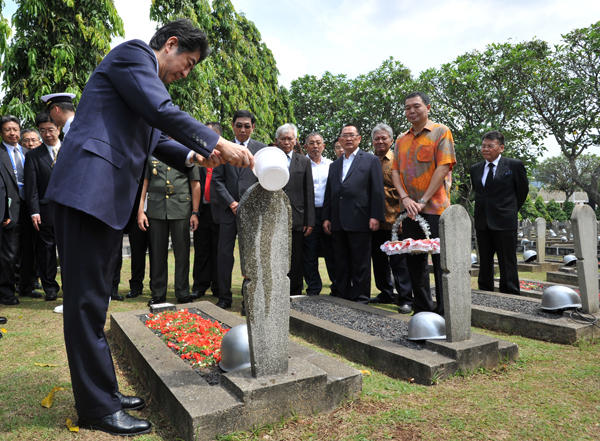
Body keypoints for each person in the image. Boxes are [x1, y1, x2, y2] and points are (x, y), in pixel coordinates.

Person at [44, 19, 253, 436]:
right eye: (188, 63)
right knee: (85, 305)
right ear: (170, 44)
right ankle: (97, 409)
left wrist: (197, 158)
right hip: (87, 191)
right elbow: (162, 111)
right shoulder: (133, 55)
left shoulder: (143, 89)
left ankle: (101, 392)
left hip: (102, 200)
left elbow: (158, 138)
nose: (186, 72)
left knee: (96, 301)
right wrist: (214, 142)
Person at [391, 92, 456, 315]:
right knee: (415, 262)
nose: (411, 111)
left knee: (440, 263)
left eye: (416, 106)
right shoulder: (401, 140)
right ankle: (422, 309)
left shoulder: (441, 132)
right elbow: (396, 172)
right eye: (407, 108)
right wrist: (406, 199)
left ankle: (445, 311)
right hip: (409, 211)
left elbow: (443, 167)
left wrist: (422, 200)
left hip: (435, 208)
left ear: (427, 107)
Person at [323, 124, 384, 303]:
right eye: (344, 136)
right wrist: (326, 217)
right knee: (340, 260)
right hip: (338, 220)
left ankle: (361, 296)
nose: (348, 139)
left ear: (359, 138)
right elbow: (330, 192)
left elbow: (377, 191)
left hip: (361, 218)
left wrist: (375, 215)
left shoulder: (370, 160)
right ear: (340, 140)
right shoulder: (334, 165)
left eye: (352, 135)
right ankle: (342, 293)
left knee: (360, 261)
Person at [211, 110, 265, 309]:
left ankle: (248, 300)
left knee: (250, 256)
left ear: (253, 127)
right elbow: (216, 180)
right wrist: (231, 203)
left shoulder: (261, 150)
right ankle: (224, 298)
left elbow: (264, 181)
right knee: (224, 255)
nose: (243, 129)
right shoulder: (223, 147)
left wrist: (250, 204)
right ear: (232, 125)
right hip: (228, 211)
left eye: (247, 126)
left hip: (251, 212)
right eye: (239, 125)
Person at [470, 130, 528, 295]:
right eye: (483, 146)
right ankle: (485, 292)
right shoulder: (475, 169)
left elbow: (522, 191)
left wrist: (509, 210)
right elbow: (479, 193)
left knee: (507, 261)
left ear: (501, 148)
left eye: (490, 146)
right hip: (482, 222)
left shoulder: (513, 166)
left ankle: (510, 294)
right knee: (485, 262)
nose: (485, 149)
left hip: (504, 222)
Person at [138, 157, 200, 304]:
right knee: (157, 253)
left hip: (181, 209)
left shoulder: (187, 154)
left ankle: (183, 292)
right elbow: (144, 184)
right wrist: (140, 211)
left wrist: (195, 212)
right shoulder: (153, 153)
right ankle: (158, 294)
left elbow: (195, 184)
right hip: (156, 209)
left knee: (182, 254)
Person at [368, 123, 413, 311]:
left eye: (383, 138)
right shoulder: (368, 161)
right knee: (378, 260)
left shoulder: (398, 160)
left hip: (395, 220)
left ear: (391, 140)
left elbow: (405, 190)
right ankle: (385, 292)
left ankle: (405, 298)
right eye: (376, 138)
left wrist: (403, 217)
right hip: (375, 220)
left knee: (398, 261)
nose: (380, 141)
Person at [24, 113, 61, 301]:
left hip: (69, 210)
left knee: (70, 250)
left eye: (51, 130)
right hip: (45, 211)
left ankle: (72, 285)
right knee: (46, 251)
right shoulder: (33, 156)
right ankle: (50, 287)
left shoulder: (70, 150)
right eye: (43, 131)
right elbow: (31, 187)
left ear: (59, 129)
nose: (47, 134)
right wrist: (34, 211)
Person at [0, 115, 37, 302]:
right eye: (8, 129)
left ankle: (27, 286)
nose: (12, 133)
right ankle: (6, 292)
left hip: (29, 208)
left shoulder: (27, 152)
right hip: (9, 209)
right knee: (9, 252)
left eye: (15, 129)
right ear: (1, 132)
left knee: (29, 249)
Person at [275, 123, 315, 295]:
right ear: (277, 141)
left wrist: (310, 221)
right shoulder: (271, 159)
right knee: (276, 256)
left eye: (289, 138)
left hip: (297, 218)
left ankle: (295, 291)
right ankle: (277, 290)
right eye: (283, 139)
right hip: (275, 217)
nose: (286, 142)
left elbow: (309, 192)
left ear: (295, 140)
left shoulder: (304, 161)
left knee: (296, 257)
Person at [303, 132, 336, 296]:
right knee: (309, 251)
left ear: (323, 146)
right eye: (311, 143)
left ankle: (336, 286)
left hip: (327, 211)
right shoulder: (301, 164)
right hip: (309, 213)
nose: (315, 146)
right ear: (305, 146)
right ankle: (314, 287)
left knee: (332, 251)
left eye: (318, 143)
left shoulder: (331, 165)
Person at [192, 122, 221, 298]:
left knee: (219, 250)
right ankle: (200, 285)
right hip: (201, 210)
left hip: (219, 210)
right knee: (201, 249)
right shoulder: (197, 157)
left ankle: (218, 286)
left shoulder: (225, 157)